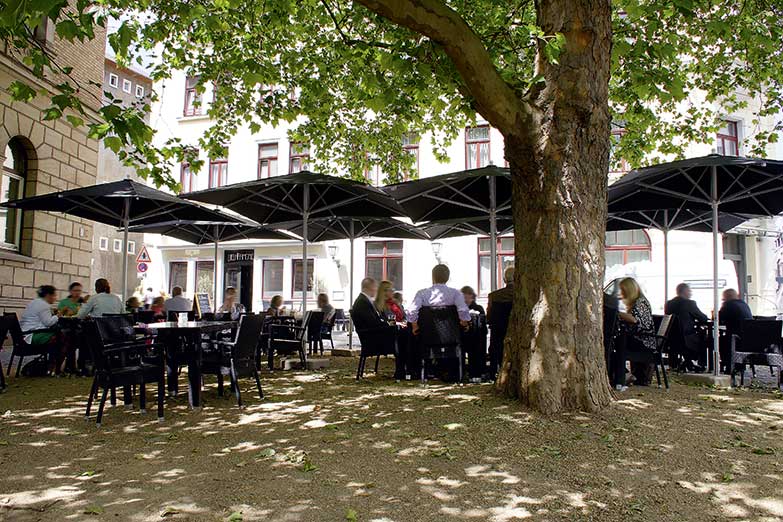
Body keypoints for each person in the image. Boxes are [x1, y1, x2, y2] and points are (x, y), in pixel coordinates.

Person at [351, 277, 401, 378]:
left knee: (402, 334)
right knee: (403, 337)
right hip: (373, 341)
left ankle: (404, 369)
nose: (376, 290)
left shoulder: (364, 301)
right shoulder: (362, 303)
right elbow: (374, 323)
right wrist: (390, 325)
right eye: (375, 287)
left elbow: (375, 322)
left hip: (372, 336)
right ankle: (403, 370)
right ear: (369, 287)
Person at [613, 277, 656, 390]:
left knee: (618, 341)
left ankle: (622, 377)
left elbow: (634, 320)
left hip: (644, 342)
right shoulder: (638, 302)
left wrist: (616, 313)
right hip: (641, 340)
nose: (621, 294)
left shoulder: (640, 302)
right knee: (616, 342)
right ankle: (623, 374)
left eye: (623, 291)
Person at [408, 264, 471, 334]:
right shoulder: (456, 294)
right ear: (448, 278)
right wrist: (464, 323)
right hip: (451, 336)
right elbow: (463, 310)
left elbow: (411, 310)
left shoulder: (422, 294)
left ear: (433, 277)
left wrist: (415, 326)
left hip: (427, 335)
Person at [20, 285, 63, 373]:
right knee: (62, 337)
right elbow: (48, 323)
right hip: (33, 335)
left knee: (60, 336)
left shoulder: (34, 302)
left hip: (25, 334)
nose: (55, 298)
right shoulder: (44, 305)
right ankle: (53, 367)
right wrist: (58, 316)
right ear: (48, 295)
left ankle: (51, 366)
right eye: (54, 295)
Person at [665, 283, 708, 369]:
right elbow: (703, 318)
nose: (691, 293)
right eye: (689, 291)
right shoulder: (690, 303)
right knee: (705, 338)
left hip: (671, 338)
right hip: (687, 338)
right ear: (684, 291)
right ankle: (702, 364)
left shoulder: (669, 304)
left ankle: (677, 363)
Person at [487, 266, 514, 379]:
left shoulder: (493, 296)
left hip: (497, 331)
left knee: (495, 345)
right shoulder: (519, 295)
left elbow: (489, 317)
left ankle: (493, 372)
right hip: (513, 330)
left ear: (504, 279)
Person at [719, 288, 753, 372]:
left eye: (723, 298)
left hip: (736, 339)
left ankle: (728, 365)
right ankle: (739, 365)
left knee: (720, 340)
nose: (723, 300)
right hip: (749, 339)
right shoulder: (744, 304)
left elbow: (719, 319)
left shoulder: (728, 305)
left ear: (727, 297)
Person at [462, 285, 488, 382]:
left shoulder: (478, 308)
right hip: (464, 337)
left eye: (467, 297)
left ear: (472, 298)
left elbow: (482, 325)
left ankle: (477, 372)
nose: (465, 300)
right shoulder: (459, 309)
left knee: (477, 344)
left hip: (476, 337)